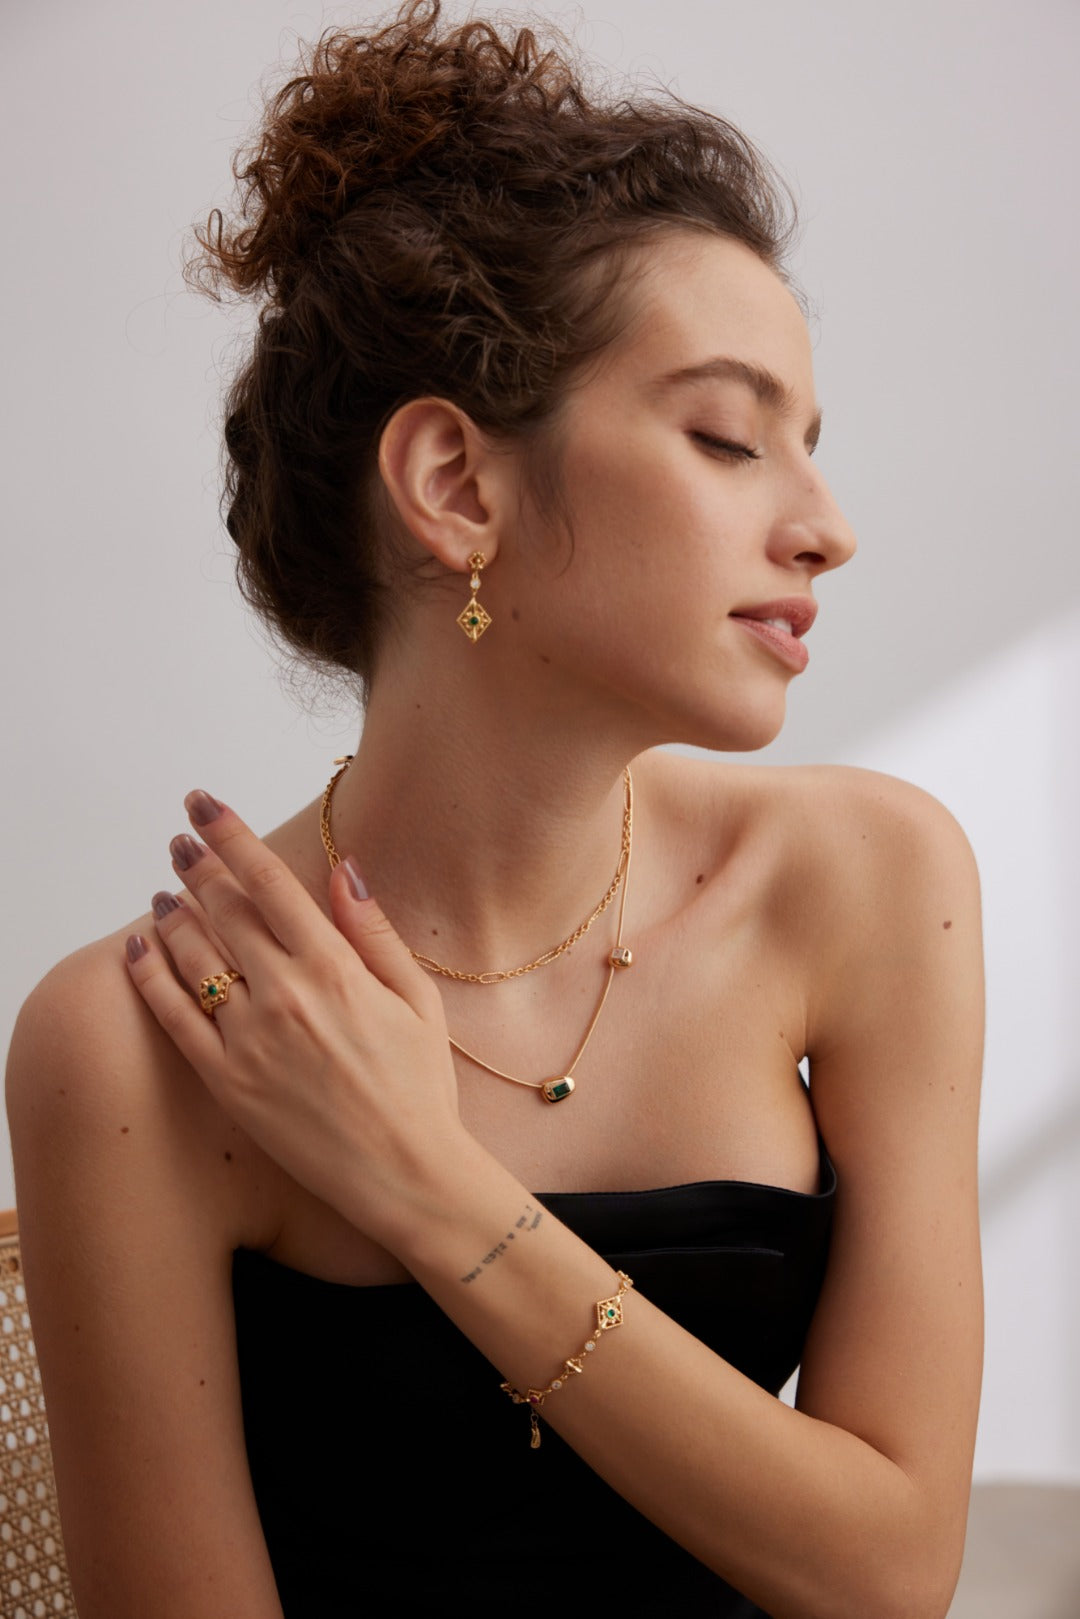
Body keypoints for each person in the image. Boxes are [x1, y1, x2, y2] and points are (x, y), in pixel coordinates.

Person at [5, 2, 984, 1614]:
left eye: (811, 444)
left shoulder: (870, 884)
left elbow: (889, 1577)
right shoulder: (142, 1045)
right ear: (458, 487)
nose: (826, 526)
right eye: (731, 437)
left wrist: (426, 1184)